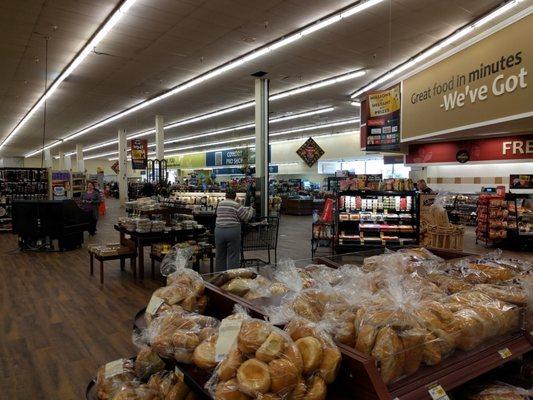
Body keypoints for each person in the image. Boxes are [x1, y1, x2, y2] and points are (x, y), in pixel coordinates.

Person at [215, 188, 254, 271]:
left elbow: (217, 214)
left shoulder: (220, 204)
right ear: (235, 196)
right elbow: (246, 217)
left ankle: (219, 277)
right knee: (233, 256)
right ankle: (231, 279)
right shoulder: (236, 205)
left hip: (219, 231)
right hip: (232, 231)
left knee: (219, 256)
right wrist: (251, 209)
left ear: (225, 196)